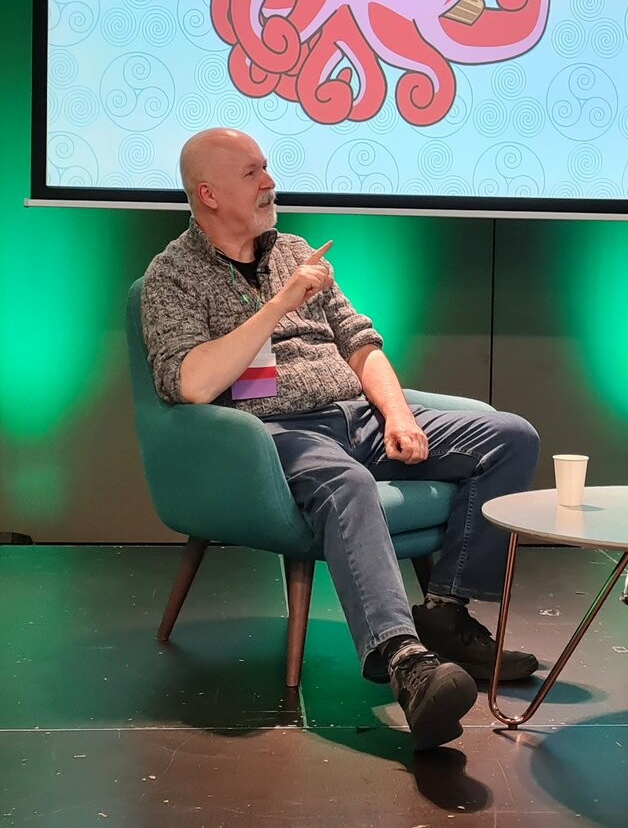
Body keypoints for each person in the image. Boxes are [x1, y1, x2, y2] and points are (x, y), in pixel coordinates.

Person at [141, 127, 541, 751]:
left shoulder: (294, 249)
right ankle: (406, 664)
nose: (270, 182)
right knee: (347, 483)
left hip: (357, 415)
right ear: (208, 194)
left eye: (267, 167)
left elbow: (360, 343)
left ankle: (446, 611)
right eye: (252, 173)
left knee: (509, 438)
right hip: (269, 435)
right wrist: (278, 305)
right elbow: (189, 383)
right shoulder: (173, 275)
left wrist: (398, 414)